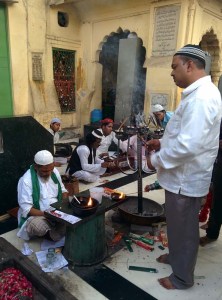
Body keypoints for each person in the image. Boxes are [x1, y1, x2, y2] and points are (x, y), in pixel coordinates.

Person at [145, 44, 221, 290]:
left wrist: (156, 159)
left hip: (186, 178)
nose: (171, 72)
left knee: (185, 229)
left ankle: (182, 278)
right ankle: (177, 260)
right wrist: (163, 141)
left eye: (174, 67)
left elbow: (188, 145)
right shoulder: (196, 94)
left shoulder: (201, 98)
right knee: (176, 225)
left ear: (190, 65)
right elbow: (183, 134)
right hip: (179, 177)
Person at [17, 150, 68, 241]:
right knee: (36, 226)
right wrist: (49, 215)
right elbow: (27, 209)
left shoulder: (54, 172)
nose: (48, 173)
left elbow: (63, 190)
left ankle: (57, 231)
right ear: (36, 167)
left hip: (57, 210)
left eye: (51, 169)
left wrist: (64, 204)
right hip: (39, 215)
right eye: (44, 171)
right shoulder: (26, 180)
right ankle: (55, 233)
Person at [200, 122, 222, 246]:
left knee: (218, 201)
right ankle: (213, 224)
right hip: (218, 161)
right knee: (214, 196)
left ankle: (212, 234)